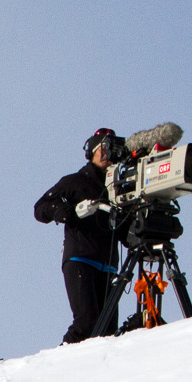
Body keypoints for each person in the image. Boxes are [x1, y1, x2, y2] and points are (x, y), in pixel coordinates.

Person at [34, 128, 122, 344]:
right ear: (90, 153)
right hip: (81, 258)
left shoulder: (119, 188)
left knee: (108, 330)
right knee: (87, 322)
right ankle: (61, 361)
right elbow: (40, 208)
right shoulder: (74, 182)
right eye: (100, 149)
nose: (104, 154)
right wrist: (68, 212)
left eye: (109, 149)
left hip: (108, 264)